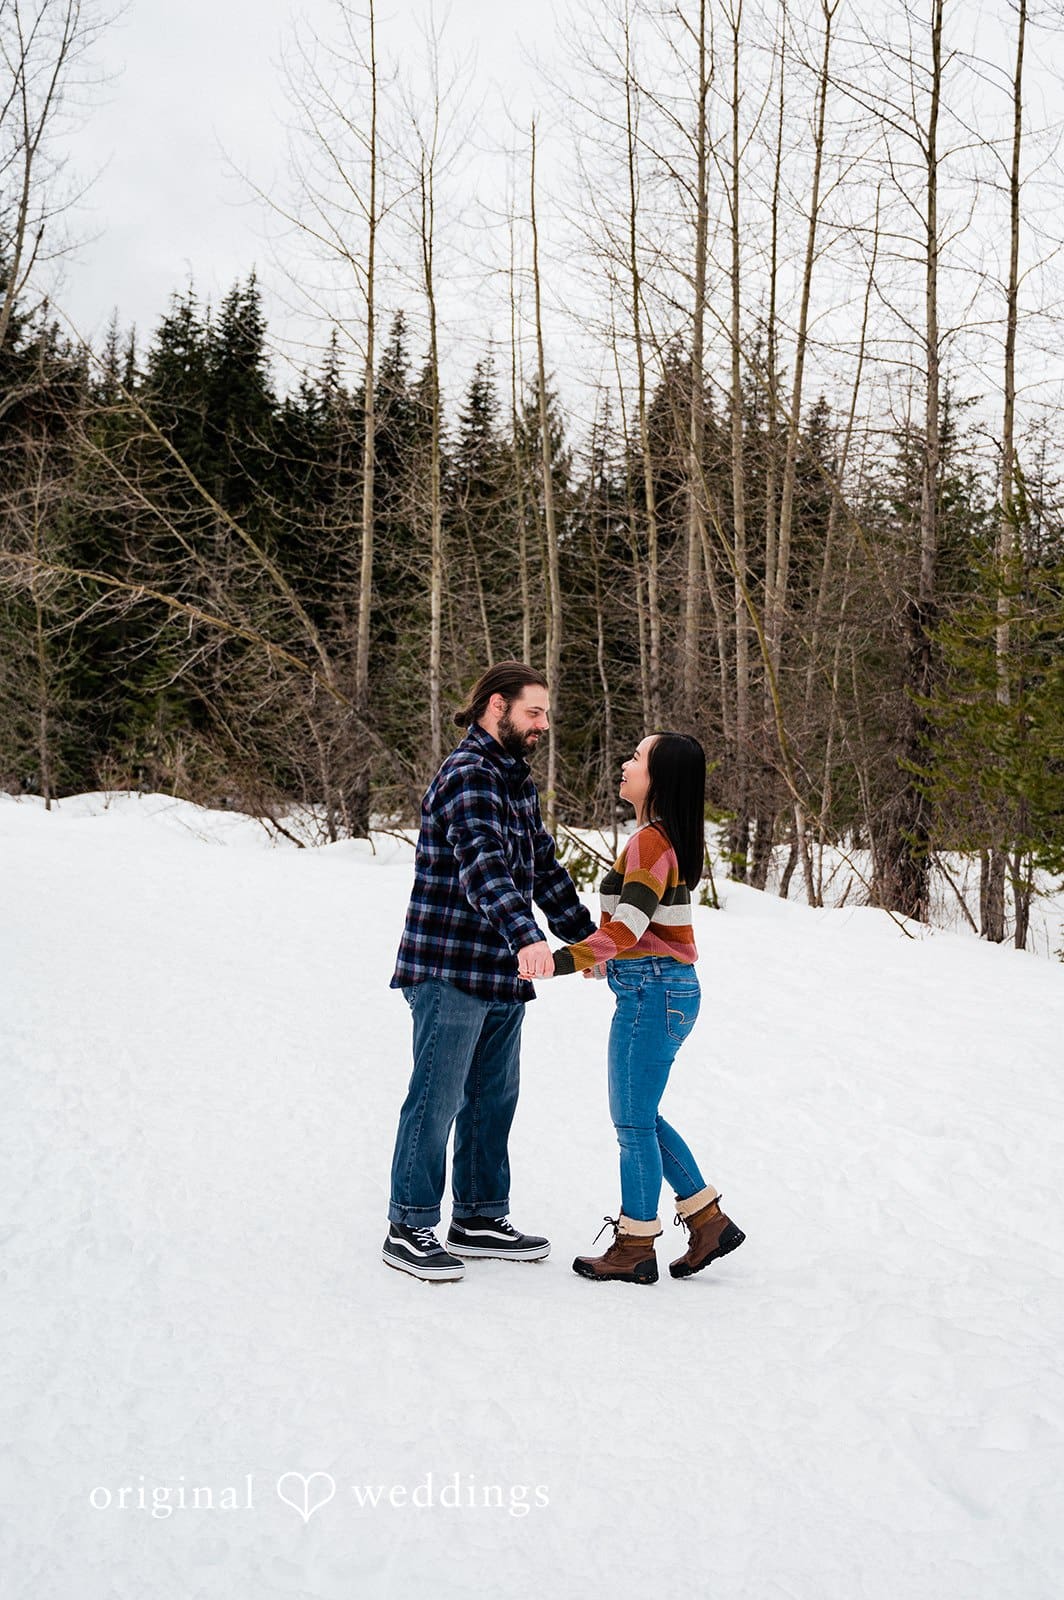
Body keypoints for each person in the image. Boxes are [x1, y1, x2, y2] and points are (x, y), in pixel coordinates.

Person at [382, 662, 597, 1283]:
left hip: (500, 971)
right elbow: (485, 869)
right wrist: (528, 936)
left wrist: (585, 939)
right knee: (437, 1096)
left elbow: (544, 870)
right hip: (448, 965)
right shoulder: (469, 776)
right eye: (534, 712)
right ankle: (410, 1223)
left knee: (492, 1098)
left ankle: (477, 1216)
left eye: (546, 714)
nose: (543, 725)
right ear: (496, 706)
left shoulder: (516, 782)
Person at [531, 732, 745, 1285]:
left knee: (631, 1122)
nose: (624, 764)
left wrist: (557, 962)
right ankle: (705, 1219)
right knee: (641, 1117)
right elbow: (633, 930)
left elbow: (626, 930)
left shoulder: (650, 842)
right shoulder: (655, 839)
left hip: (653, 993)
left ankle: (635, 1244)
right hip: (662, 988)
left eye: (636, 758)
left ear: (660, 779)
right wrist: (607, 956)